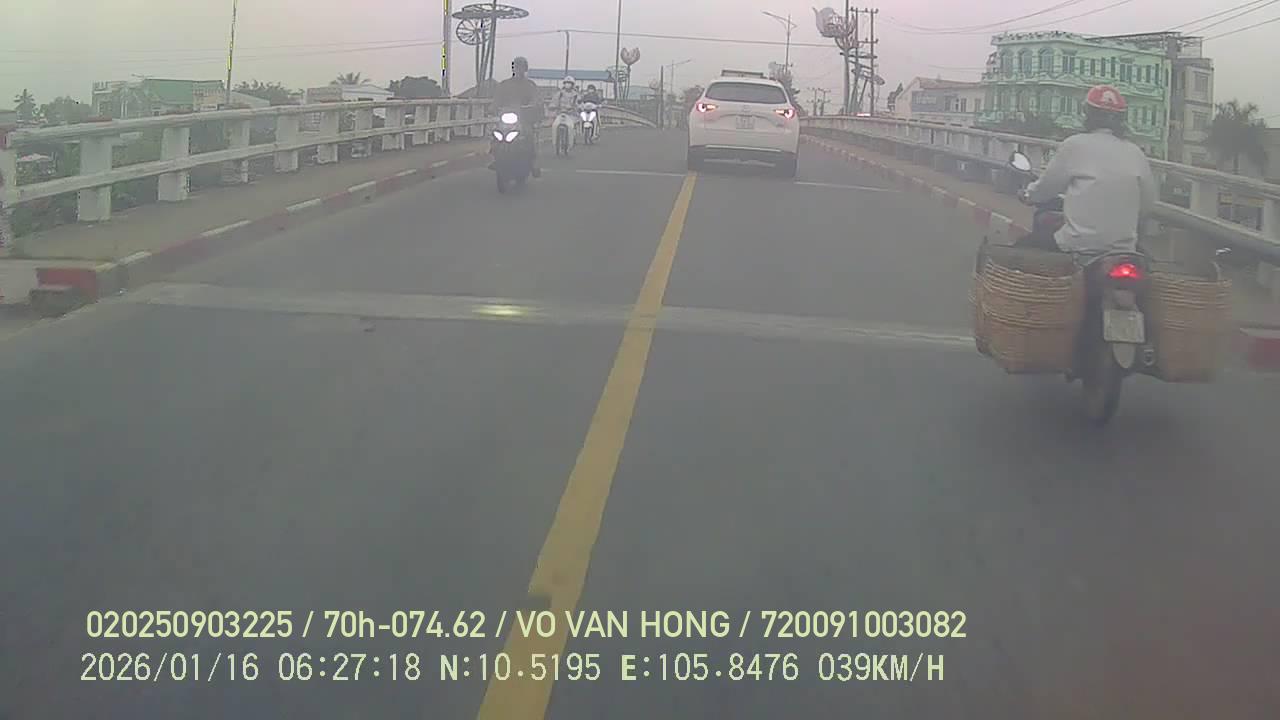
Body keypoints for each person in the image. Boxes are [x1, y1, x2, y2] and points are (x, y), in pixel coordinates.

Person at [1017, 84, 1157, 254]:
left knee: (1021, 249)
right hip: (1124, 249)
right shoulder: (1136, 152)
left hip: (1076, 244)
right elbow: (1148, 204)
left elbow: (1046, 187)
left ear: (1088, 114)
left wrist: (1028, 195)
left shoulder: (1074, 145)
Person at [492, 56, 542, 176]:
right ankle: (495, 157)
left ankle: (532, 163)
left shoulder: (530, 85)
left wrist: (533, 105)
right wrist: (493, 107)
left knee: (529, 135)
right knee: (495, 133)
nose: (519, 69)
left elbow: (536, 99)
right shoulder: (505, 84)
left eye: (521, 67)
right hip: (506, 118)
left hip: (524, 119)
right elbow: (497, 99)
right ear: (513, 68)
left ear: (525, 69)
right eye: (516, 67)